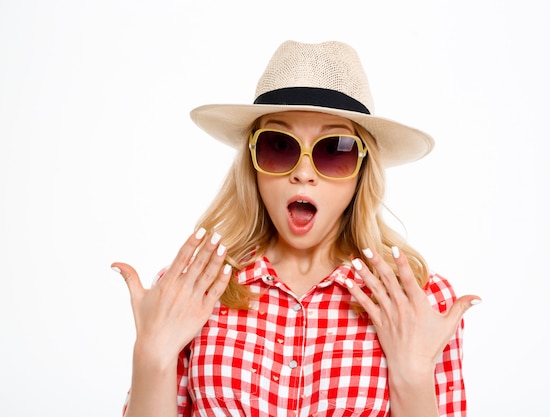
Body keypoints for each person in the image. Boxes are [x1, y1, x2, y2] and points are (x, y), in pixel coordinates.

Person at [111, 40, 481, 417]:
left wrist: (414, 377)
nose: (303, 173)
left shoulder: (418, 300)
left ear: (362, 170)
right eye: (279, 145)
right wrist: (152, 356)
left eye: (334, 150)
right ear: (252, 162)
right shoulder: (189, 290)